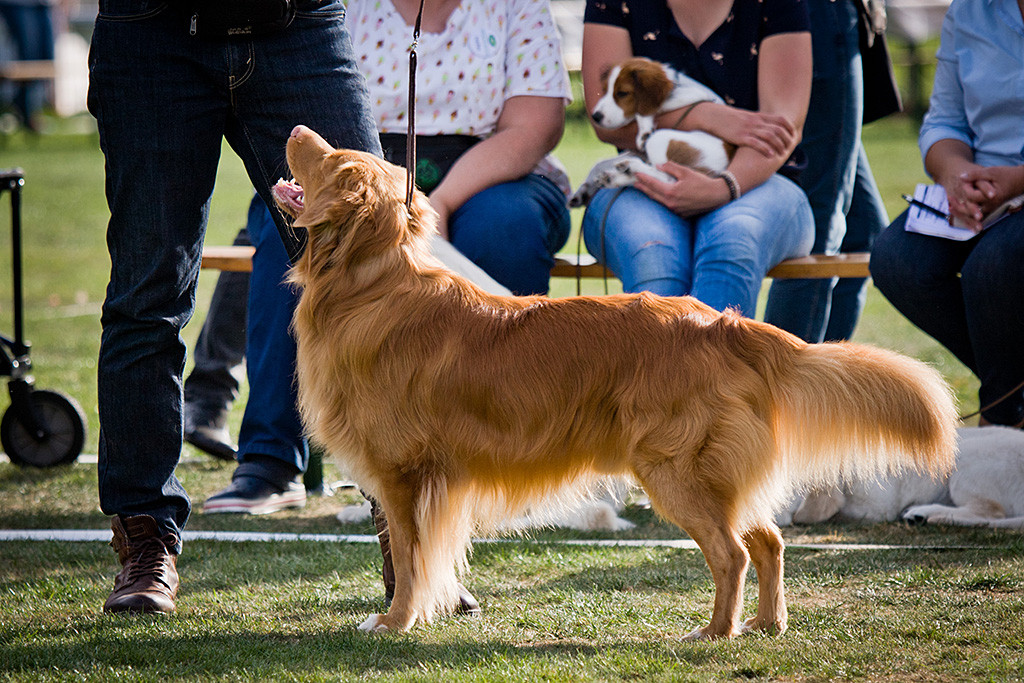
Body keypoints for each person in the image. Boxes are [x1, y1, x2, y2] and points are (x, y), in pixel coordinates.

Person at [201, 0, 573, 515]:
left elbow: (534, 127)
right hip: (363, 168)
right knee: (278, 230)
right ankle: (270, 459)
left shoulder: (518, 5)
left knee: (503, 227)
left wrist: (427, 203)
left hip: (493, 169)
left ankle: (503, 451)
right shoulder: (344, 4)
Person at [89, 0, 382, 614]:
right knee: (147, 298)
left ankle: (408, 543)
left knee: (381, 281)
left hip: (299, 26)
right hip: (149, 33)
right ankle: (146, 541)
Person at [578, 0, 815, 318]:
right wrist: (705, 115)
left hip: (760, 180)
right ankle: (663, 367)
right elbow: (605, 119)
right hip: (643, 178)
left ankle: (714, 368)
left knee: (732, 243)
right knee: (653, 253)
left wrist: (724, 186)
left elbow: (781, 130)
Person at [869, 0, 1024, 429]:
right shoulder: (971, 11)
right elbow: (945, 122)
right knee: (897, 259)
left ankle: (1001, 421)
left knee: (994, 264)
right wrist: (956, 174)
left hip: (1011, 190)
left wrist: (1015, 182)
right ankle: (1015, 395)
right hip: (983, 188)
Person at [762, 0, 892, 343]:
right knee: (820, 227)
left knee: (863, 234)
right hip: (818, 14)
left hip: (825, 15)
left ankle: (826, 384)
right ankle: (782, 390)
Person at [0, 0, 56, 131]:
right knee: (28, 56)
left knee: (46, 58)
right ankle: (26, 109)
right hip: (17, 3)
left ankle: (28, 106)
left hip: (43, 3)